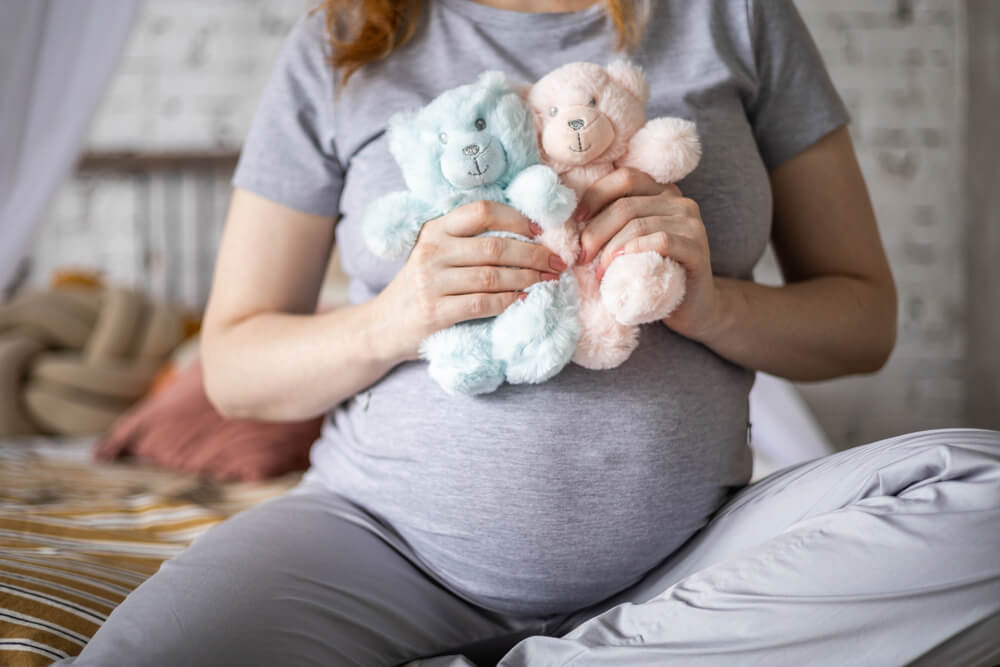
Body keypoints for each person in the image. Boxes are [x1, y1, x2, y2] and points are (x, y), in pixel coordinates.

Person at [58, 1, 1000, 665]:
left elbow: (862, 318)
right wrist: (398, 316)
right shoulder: (342, 44)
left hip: (691, 561)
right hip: (377, 547)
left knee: (984, 496)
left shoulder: (737, 15)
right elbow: (234, 369)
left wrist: (714, 305)